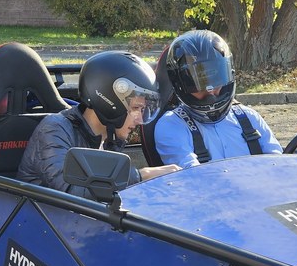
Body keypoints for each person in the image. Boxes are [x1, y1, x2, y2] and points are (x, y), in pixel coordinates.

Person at [17, 51, 180, 197]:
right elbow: (71, 192)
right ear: (110, 102)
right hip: (40, 223)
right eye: (136, 108)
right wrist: (141, 176)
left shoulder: (110, 137)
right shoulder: (54, 130)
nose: (139, 119)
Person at [154, 30, 282, 169]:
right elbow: (190, 175)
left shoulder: (249, 118)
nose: (209, 90)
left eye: (215, 78)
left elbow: (277, 165)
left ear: (228, 72)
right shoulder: (171, 125)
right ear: (180, 83)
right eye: (198, 82)